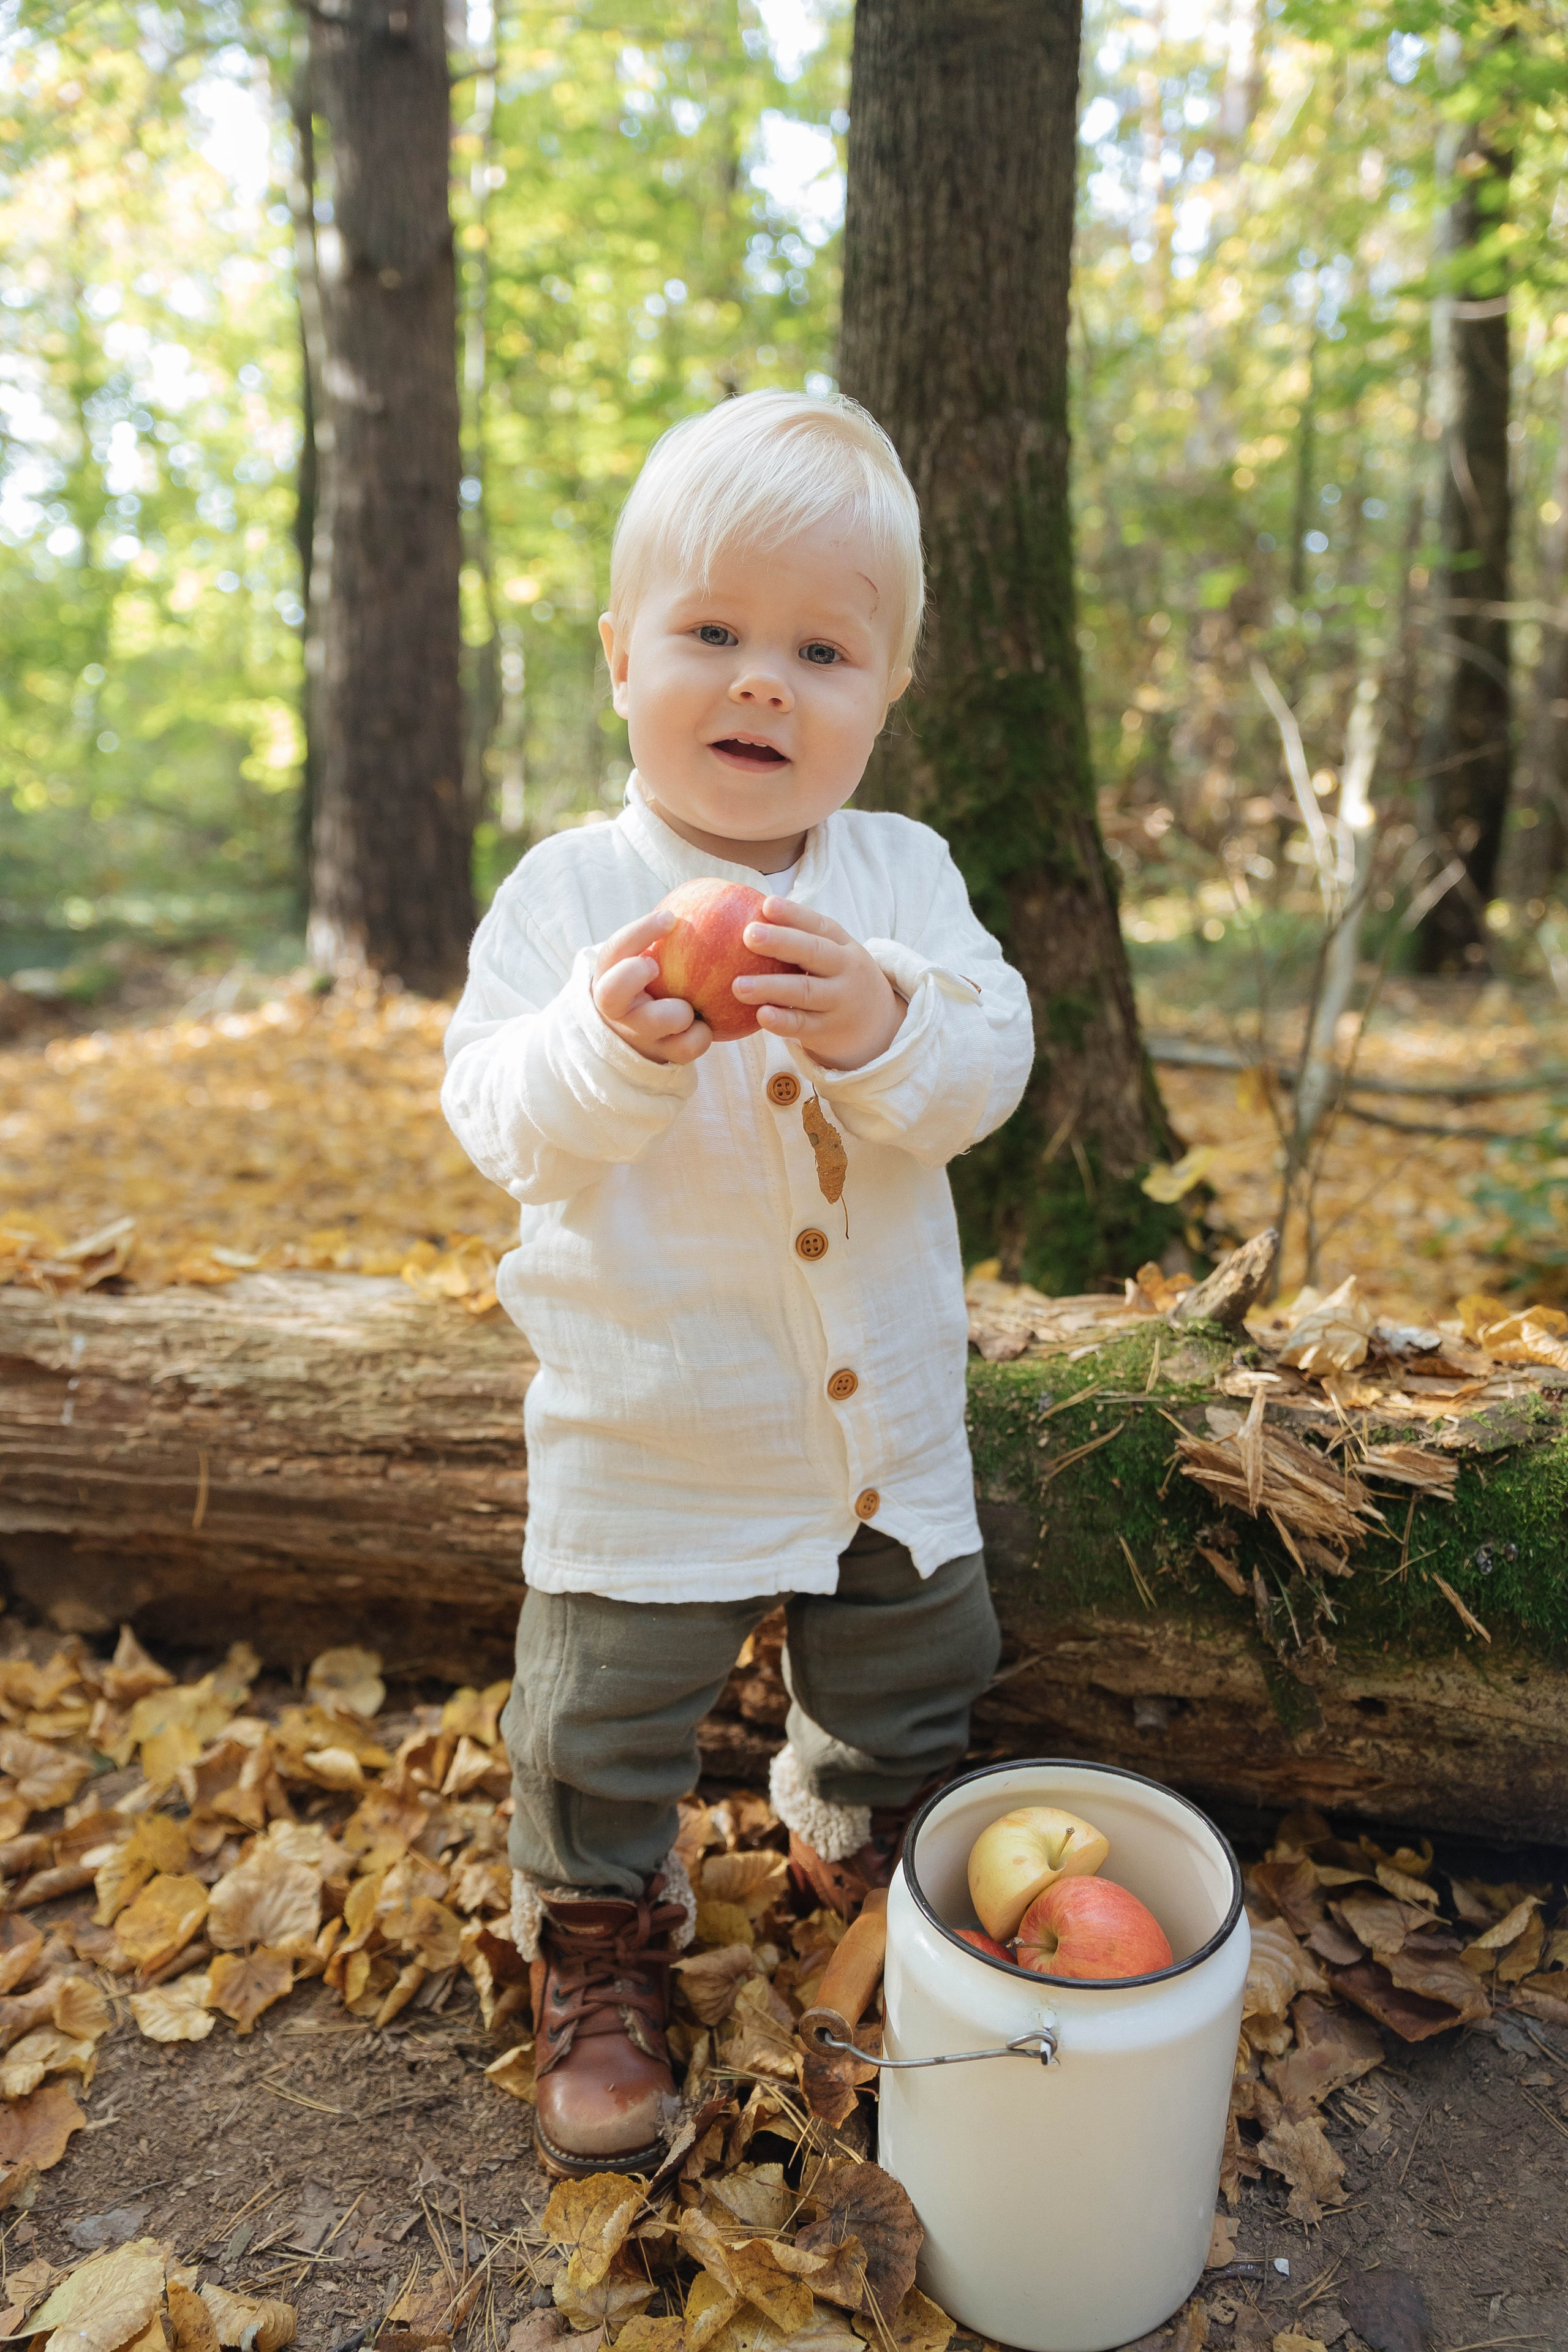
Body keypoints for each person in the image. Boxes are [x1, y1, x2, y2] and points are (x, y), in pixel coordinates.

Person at [442, 390, 1034, 2178]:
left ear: (883, 697)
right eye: (712, 635)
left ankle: (867, 1840)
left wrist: (886, 1022)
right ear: (624, 661)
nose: (762, 682)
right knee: (601, 1711)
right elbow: (496, 1115)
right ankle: (602, 1933)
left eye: (821, 650)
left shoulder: (903, 880)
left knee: (916, 1661)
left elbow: (988, 1062)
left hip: (877, 1431)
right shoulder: (571, 898)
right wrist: (606, 1047)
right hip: (654, 1428)